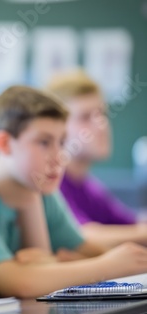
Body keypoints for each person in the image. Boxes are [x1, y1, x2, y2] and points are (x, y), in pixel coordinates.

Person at [0, 85, 147, 298]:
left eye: (62, 142)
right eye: (44, 142)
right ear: (4, 143)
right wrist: (107, 266)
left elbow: (85, 250)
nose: (60, 157)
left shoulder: (43, 192)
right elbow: (21, 283)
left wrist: (55, 263)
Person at [47, 70, 147, 248]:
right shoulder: (51, 183)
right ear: (57, 129)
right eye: (85, 117)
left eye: (102, 114)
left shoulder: (88, 186)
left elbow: (133, 225)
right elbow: (82, 236)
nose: (101, 125)